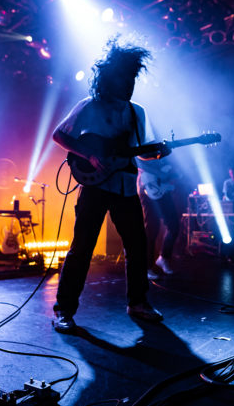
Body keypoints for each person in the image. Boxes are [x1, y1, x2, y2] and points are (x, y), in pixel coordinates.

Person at [51, 37, 170, 333]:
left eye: (132, 79)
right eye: (124, 78)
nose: (129, 85)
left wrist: (158, 152)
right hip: (94, 187)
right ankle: (64, 310)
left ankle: (137, 302)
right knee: (82, 248)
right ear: (110, 79)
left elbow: (141, 151)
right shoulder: (89, 106)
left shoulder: (137, 112)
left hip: (126, 187)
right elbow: (60, 135)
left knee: (137, 247)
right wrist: (89, 155)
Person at [137, 154, 181, 280]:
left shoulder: (164, 149)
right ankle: (146, 267)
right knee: (152, 228)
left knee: (174, 225)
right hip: (148, 187)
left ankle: (164, 258)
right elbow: (138, 161)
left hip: (162, 189)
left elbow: (169, 169)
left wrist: (174, 175)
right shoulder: (145, 144)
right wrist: (159, 173)